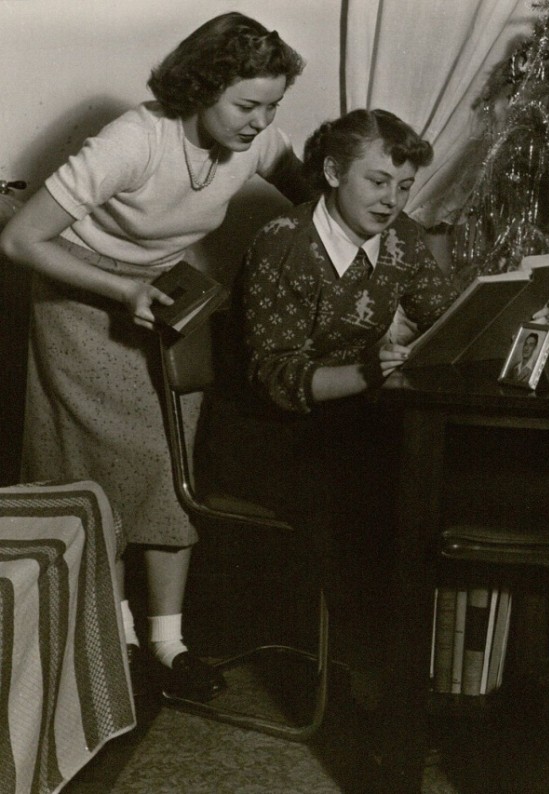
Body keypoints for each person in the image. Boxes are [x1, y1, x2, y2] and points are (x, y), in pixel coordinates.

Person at [0, 12, 310, 702]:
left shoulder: (257, 142)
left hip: (165, 293)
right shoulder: (134, 140)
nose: (261, 122)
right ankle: (119, 641)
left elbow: (320, 205)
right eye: (247, 105)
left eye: (273, 106)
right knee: (101, 475)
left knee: (171, 468)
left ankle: (170, 644)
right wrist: (119, 288)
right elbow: (21, 240)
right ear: (201, 87)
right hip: (81, 290)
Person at [194, 108, 459, 644]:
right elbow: (275, 378)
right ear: (335, 174)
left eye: (404, 187)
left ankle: (392, 661)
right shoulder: (282, 242)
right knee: (364, 492)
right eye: (378, 181)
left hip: (346, 419)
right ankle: (343, 670)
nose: (391, 200)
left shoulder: (402, 237)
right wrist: (369, 372)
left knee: (436, 476)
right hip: (259, 432)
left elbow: (445, 317)